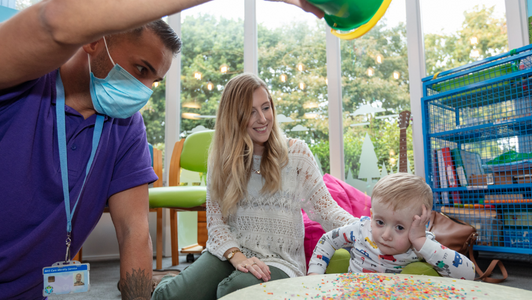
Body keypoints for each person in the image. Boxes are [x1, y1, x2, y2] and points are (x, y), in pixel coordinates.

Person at [0, 1, 324, 299]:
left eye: (154, 81)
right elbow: (53, 22)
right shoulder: (21, 83)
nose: (143, 90)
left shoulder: (127, 128)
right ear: (93, 39)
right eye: (141, 70)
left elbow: (134, 233)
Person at [151, 73, 358, 299]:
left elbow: (327, 210)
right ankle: (166, 281)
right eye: (251, 112)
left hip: (280, 261)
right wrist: (236, 255)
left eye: (266, 107)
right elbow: (216, 224)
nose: (262, 118)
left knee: (232, 291)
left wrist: (369, 230)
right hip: (231, 253)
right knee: (168, 297)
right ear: (234, 118)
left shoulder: (297, 154)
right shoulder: (221, 161)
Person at [308, 173, 476, 280]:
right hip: (353, 293)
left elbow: (468, 274)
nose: (386, 235)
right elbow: (328, 240)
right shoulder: (360, 229)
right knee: (339, 255)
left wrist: (421, 242)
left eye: (400, 228)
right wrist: (314, 274)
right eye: (380, 222)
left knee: (420, 269)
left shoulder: (421, 244)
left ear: (419, 225)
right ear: (372, 216)